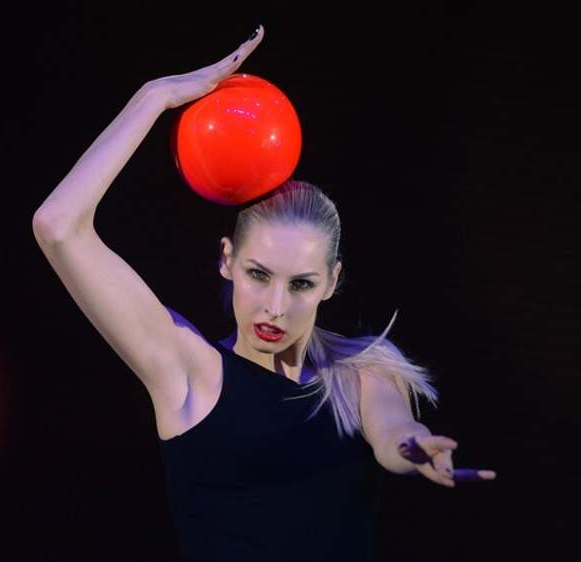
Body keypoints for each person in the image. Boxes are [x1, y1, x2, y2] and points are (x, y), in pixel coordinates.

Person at [32, 25, 496, 561]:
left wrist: (414, 448)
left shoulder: (361, 376)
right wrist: (156, 96)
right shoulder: (190, 373)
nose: (275, 306)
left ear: (332, 282)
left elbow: (394, 432)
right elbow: (58, 225)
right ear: (226, 260)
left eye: (301, 284)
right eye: (258, 275)